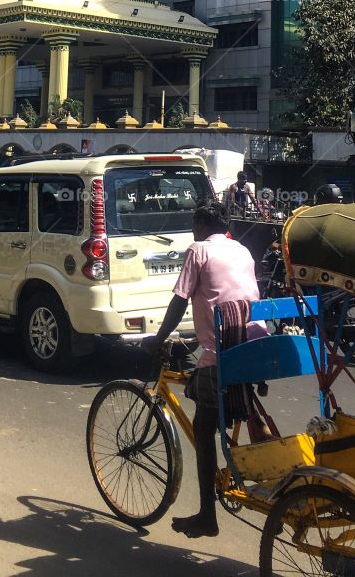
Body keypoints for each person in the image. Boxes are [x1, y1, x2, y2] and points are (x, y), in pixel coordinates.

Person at [151, 201, 268, 540]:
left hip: (224, 350)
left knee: (203, 430)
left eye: (193, 225)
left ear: (200, 225)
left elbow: (180, 300)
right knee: (238, 403)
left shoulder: (198, 250)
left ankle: (206, 516)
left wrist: (159, 338)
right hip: (255, 344)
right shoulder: (242, 249)